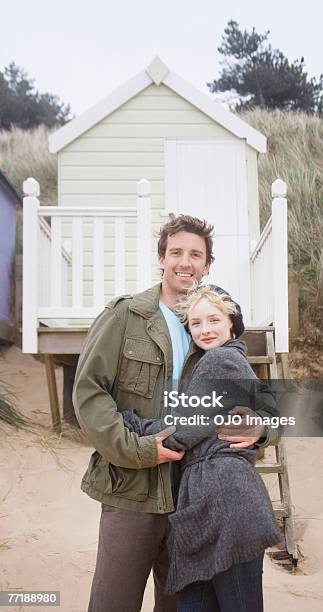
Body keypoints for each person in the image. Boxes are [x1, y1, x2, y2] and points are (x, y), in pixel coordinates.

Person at [72, 214, 278, 612]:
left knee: (177, 606)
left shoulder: (211, 324)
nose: (186, 262)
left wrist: (262, 430)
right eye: (176, 252)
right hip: (131, 489)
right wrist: (139, 447)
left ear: (207, 265)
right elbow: (89, 393)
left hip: (192, 502)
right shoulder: (125, 316)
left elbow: (261, 401)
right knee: (113, 603)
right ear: (161, 259)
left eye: (195, 255)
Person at [123, 286, 283, 611]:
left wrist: (128, 422)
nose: (205, 330)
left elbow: (179, 432)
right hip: (209, 504)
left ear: (232, 324)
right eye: (196, 324)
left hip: (228, 502)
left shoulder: (221, 362)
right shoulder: (224, 361)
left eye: (214, 320)